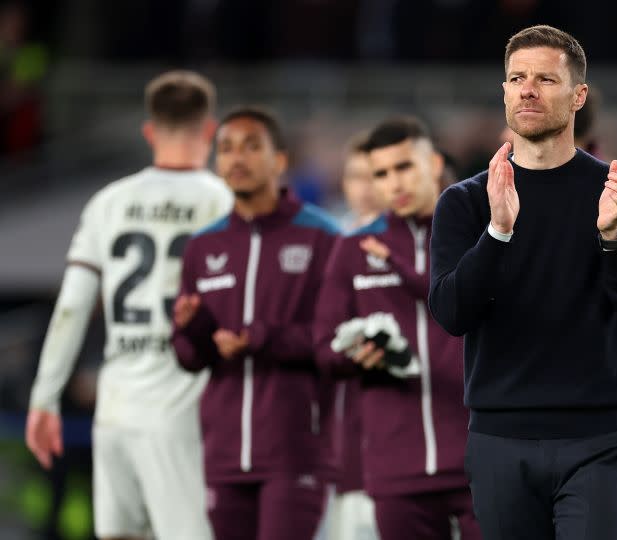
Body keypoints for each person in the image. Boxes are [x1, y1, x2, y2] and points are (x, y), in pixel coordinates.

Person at [429, 25, 617, 540]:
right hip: (500, 435)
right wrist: (498, 232)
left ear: (578, 95)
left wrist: (612, 238)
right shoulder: (466, 202)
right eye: (516, 78)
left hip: (601, 434)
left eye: (545, 78)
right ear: (505, 91)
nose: (528, 89)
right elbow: (451, 314)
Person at [25, 70, 232, 540]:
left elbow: (72, 307)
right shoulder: (222, 203)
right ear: (209, 130)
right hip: (183, 406)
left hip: (115, 405)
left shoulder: (109, 202)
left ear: (149, 131)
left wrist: (44, 398)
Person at [171, 107, 340, 540]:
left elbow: (334, 338)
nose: (236, 158)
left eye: (251, 146)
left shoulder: (322, 236)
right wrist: (191, 331)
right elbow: (189, 358)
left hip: (294, 449)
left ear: (279, 160)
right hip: (223, 451)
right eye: (225, 148)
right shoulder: (202, 246)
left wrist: (260, 337)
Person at [314, 117, 479, 540]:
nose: (393, 183)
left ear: (435, 162)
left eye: (404, 167)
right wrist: (355, 355)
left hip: (481, 457)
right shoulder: (353, 250)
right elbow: (323, 346)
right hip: (395, 466)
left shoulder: (480, 236)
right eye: (381, 174)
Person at [323, 131, 384, 540]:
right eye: (354, 176)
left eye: (373, 175)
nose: (363, 188)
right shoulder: (329, 244)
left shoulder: (422, 242)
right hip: (341, 425)